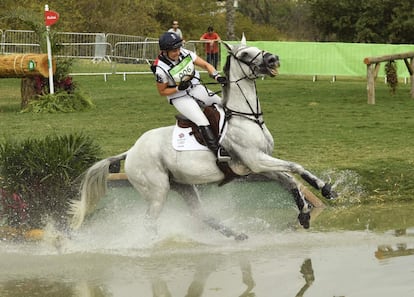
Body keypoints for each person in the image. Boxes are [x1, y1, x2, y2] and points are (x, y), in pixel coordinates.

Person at [151, 32, 229, 161]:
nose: (177, 52)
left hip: (196, 87)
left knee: (223, 105)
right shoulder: (160, 69)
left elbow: (205, 65)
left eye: (178, 49)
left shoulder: (184, 52)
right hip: (179, 97)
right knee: (201, 120)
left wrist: (216, 75)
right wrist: (177, 88)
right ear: (165, 52)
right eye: (173, 51)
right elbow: (162, 91)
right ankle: (218, 152)